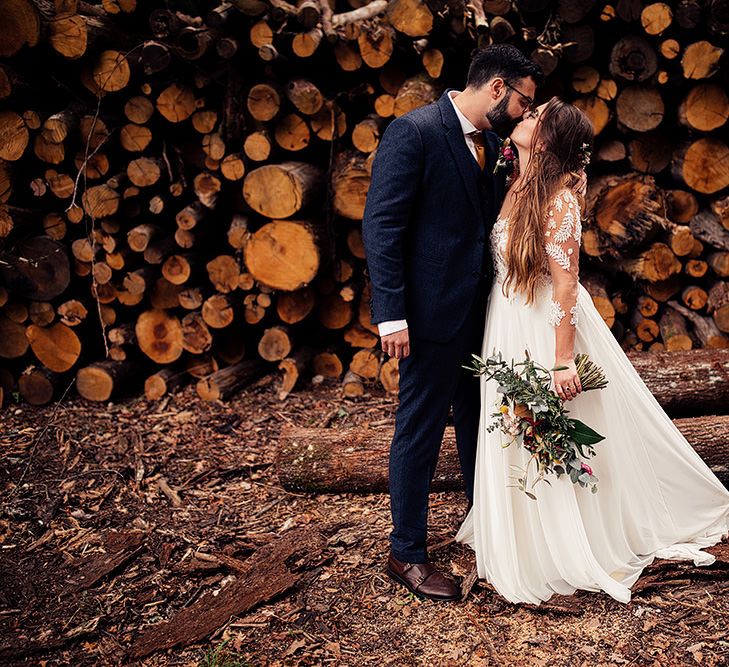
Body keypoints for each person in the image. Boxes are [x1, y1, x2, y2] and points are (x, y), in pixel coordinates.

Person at [454, 97, 729, 605]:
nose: (525, 117)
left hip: (541, 324)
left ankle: (561, 538)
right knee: (511, 421)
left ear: (548, 138)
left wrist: (561, 359)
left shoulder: (558, 200)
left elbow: (563, 288)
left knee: (546, 421)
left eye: (535, 117)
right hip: (506, 318)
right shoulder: (517, 181)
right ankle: (519, 529)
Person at [362, 44, 542, 601]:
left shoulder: (492, 143)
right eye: (523, 101)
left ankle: (481, 526)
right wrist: (391, 315)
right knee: (418, 429)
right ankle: (406, 553)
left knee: (477, 421)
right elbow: (382, 226)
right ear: (496, 88)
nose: (523, 112)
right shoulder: (413, 132)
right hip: (426, 314)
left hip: (482, 311)